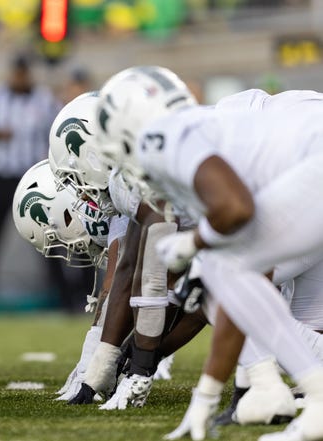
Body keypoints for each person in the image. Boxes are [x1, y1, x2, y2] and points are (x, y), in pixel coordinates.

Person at [97, 66, 323, 441]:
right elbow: (248, 278)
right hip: (308, 170)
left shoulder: (165, 137)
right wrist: (207, 395)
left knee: (217, 272)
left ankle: (278, 391)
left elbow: (236, 209)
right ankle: (298, 398)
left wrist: (194, 243)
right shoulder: (218, 129)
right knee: (223, 276)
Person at [0, 54, 64, 311]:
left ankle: (65, 297)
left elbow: (58, 130)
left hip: (33, 179)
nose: (20, 78)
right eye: (17, 73)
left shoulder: (44, 98)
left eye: (24, 74)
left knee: (49, 238)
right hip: (3, 176)